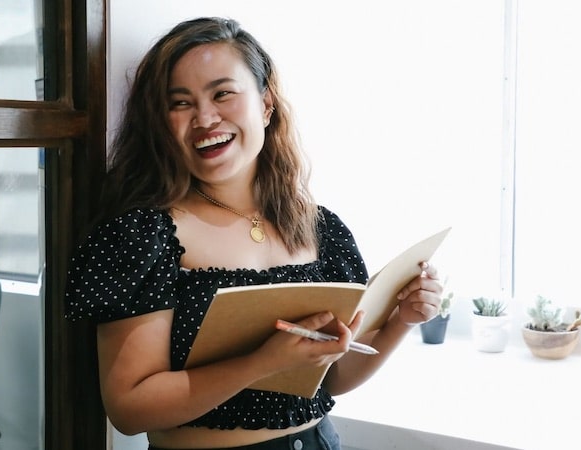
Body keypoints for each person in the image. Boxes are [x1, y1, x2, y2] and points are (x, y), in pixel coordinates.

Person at [64, 16, 443, 450]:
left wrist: (401, 322)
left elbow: (331, 379)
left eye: (222, 93)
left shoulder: (323, 229)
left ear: (265, 104)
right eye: (180, 103)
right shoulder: (141, 234)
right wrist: (261, 362)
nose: (205, 118)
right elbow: (129, 409)